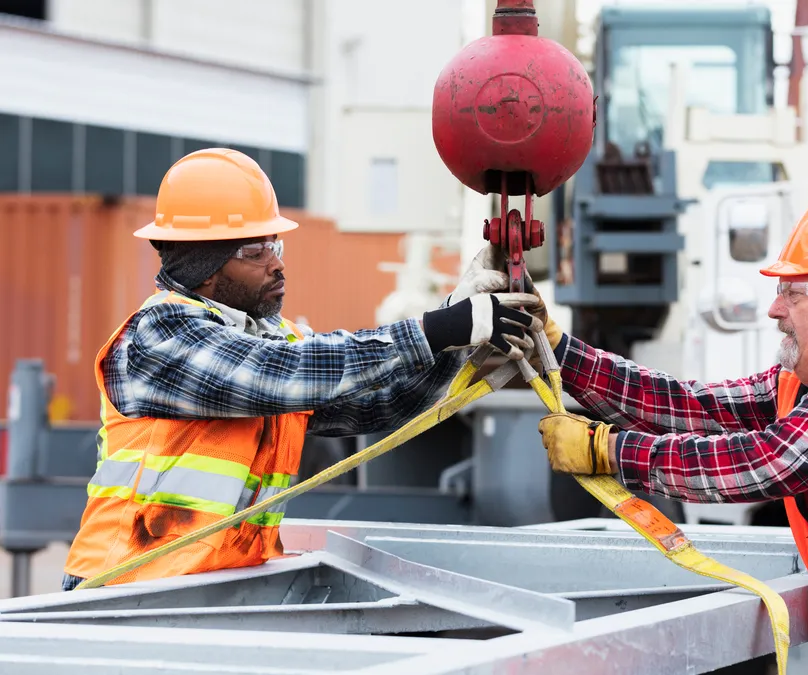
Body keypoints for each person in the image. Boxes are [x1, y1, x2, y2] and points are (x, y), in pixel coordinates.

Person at [62, 148, 536, 590]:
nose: (276, 265)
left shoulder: (271, 337)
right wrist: (433, 328)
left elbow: (382, 406)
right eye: (254, 252)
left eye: (276, 247)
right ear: (202, 269)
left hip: (209, 588)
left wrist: (455, 331)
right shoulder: (159, 336)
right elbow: (285, 373)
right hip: (119, 589)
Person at [531, 202, 808, 674]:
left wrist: (610, 451)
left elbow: (766, 462)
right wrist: (560, 353)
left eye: (793, 292)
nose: (774, 309)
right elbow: (692, 407)